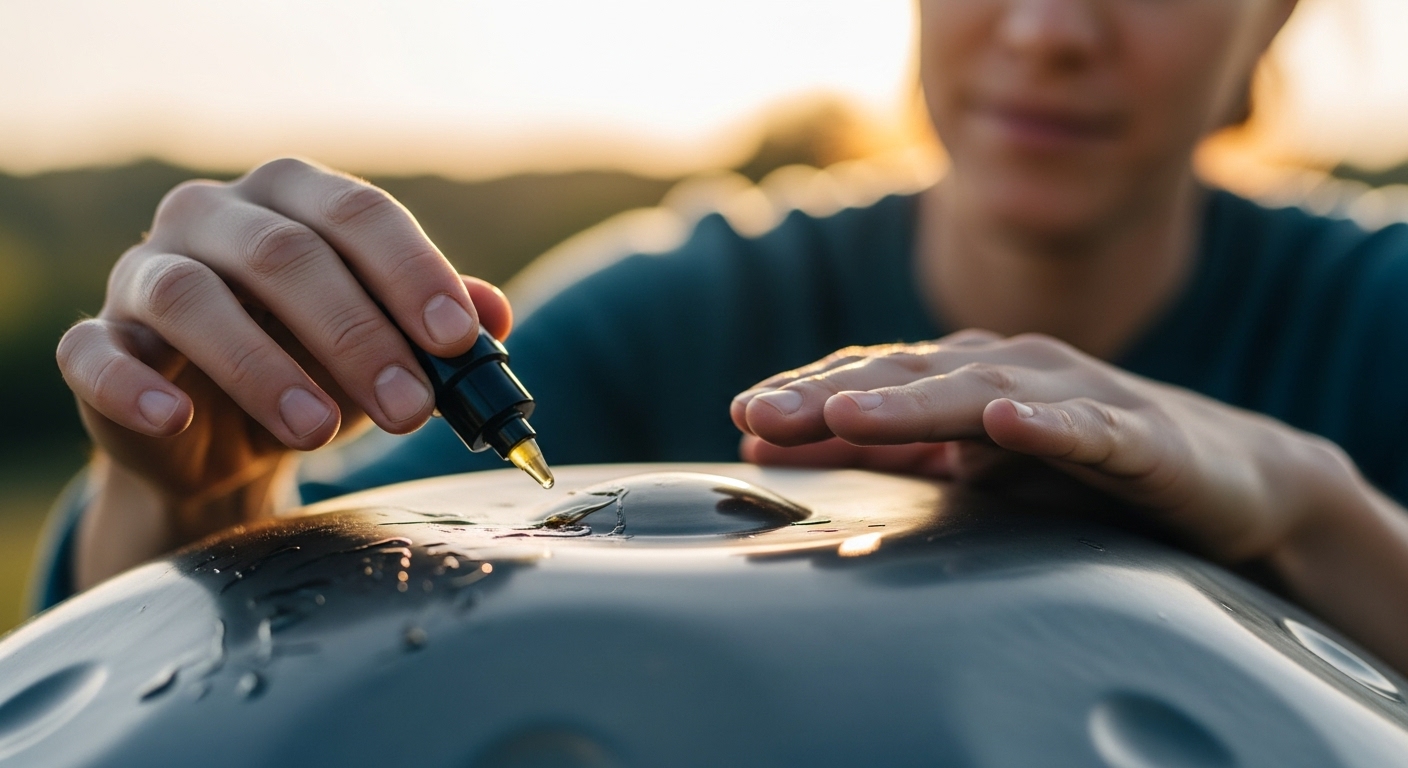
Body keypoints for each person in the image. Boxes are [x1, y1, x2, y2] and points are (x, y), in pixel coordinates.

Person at [39, 0, 1408, 674]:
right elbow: (216, 658)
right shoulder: (679, 311)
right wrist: (189, 487)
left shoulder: (1378, 311)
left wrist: (1313, 517)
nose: (1050, 31)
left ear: (1271, 21)